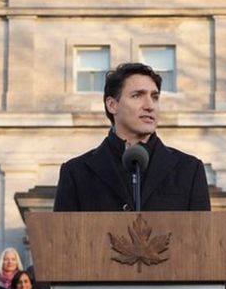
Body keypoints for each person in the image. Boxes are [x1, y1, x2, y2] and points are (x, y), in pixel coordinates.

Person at [53, 62, 210, 212]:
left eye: (154, 97)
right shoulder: (76, 172)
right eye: (137, 96)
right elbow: (61, 237)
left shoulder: (189, 170)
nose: (149, 105)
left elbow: (202, 236)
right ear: (112, 105)